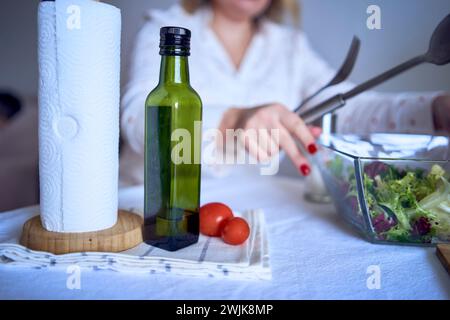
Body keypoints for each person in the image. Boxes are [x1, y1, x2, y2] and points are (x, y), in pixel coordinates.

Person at [119, 0, 450, 186]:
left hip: (255, 208)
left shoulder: (291, 46)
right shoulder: (165, 27)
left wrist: (436, 109)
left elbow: (347, 107)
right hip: (152, 205)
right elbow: (137, 117)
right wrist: (236, 118)